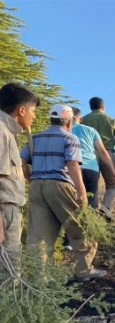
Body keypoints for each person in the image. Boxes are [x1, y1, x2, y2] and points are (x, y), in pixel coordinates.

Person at [20, 104, 105, 281]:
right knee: (79, 226)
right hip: (59, 184)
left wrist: (30, 178)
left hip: (37, 186)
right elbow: (73, 165)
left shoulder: (35, 138)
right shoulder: (70, 138)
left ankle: (40, 278)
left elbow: (22, 161)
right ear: (69, 121)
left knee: (39, 234)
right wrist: (81, 192)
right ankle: (84, 270)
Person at [62, 107, 115, 250]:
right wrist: (113, 172)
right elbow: (103, 152)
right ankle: (87, 238)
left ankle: (68, 241)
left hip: (71, 168)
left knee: (71, 203)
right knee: (90, 202)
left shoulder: (65, 130)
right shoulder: (90, 131)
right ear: (80, 118)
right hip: (90, 168)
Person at [0, 83, 39, 264]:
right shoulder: (1, 132)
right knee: (7, 271)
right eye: (33, 111)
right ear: (22, 110)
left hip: (10, 212)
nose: (35, 117)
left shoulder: (9, 133)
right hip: (4, 213)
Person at [80, 97, 115, 221]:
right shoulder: (111, 120)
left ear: (90, 107)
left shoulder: (83, 119)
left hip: (90, 155)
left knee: (91, 185)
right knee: (111, 185)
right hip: (108, 154)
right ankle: (105, 208)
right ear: (103, 107)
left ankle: (88, 213)